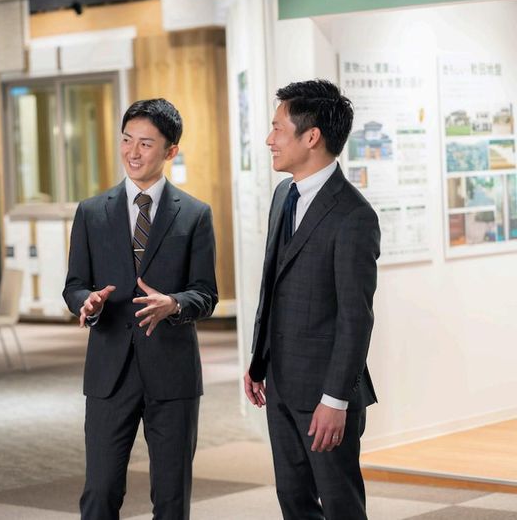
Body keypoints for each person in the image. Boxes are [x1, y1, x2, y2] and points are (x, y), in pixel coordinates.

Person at [63, 98, 218, 520]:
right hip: (109, 373)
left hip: (172, 372)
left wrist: (175, 304)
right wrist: (87, 303)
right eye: (127, 140)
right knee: (100, 492)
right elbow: (74, 286)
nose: (132, 152)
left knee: (171, 498)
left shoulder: (195, 215)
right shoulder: (91, 213)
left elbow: (206, 293)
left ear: (171, 151)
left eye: (146, 144)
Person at [244, 79, 380, 520]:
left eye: (277, 129)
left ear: (312, 137)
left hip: (325, 394)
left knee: (341, 506)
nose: (269, 139)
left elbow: (355, 319)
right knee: (294, 502)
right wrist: (258, 360)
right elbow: (274, 285)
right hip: (280, 383)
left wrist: (335, 400)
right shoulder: (284, 195)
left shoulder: (354, 215)